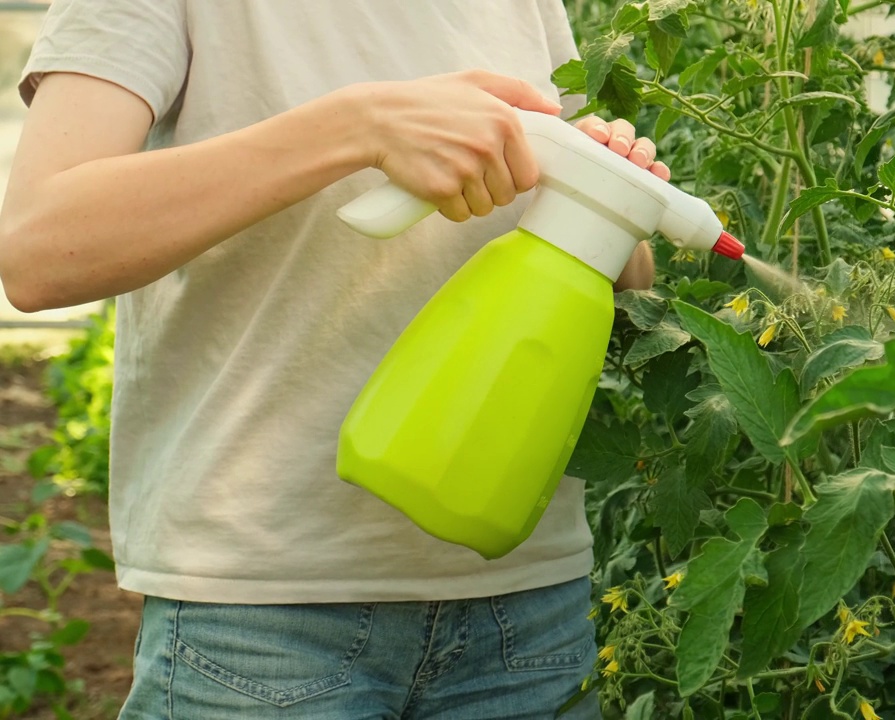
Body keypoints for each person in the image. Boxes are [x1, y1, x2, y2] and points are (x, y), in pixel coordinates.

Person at [0, 2, 669, 717]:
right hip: (266, 618)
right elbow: (41, 250)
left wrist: (608, 190)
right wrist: (356, 127)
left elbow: (632, 271)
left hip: (528, 614)